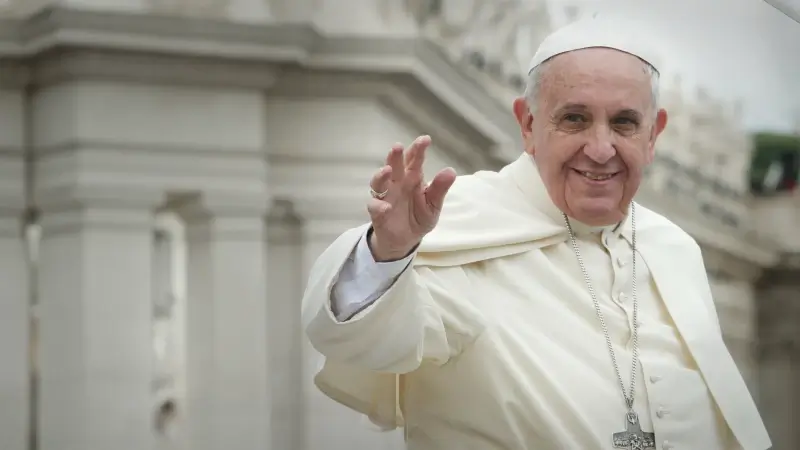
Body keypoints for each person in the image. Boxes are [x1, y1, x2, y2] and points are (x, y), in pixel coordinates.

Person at [301, 14, 771, 450]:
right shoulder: (456, 224)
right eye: (575, 118)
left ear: (653, 135)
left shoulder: (674, 249)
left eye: (624, 123)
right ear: (527, 124)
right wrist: (389, 252)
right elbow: (364, 339)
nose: (601, 149)